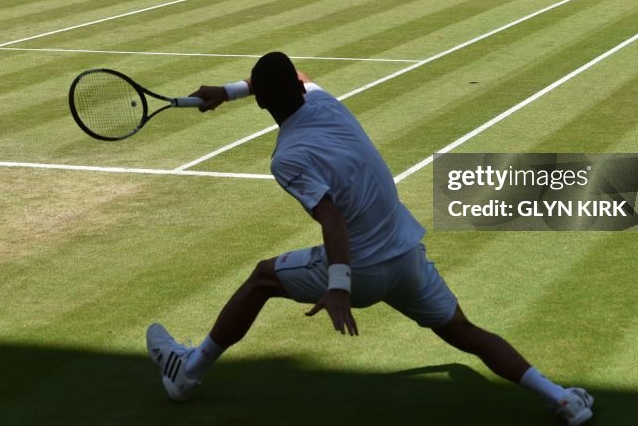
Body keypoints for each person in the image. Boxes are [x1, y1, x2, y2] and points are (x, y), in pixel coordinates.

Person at [145, 52, 595, 426]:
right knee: (464, 332)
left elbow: (332, 220)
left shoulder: (287, 157)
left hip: (358, 272)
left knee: (262, 280)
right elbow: (298, 75)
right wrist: (229, 90)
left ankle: (186, 373)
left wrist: (339, 287)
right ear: (300, 91)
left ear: (263, 104)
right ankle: (560, 399)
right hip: (405, 258)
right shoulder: (329, 106)